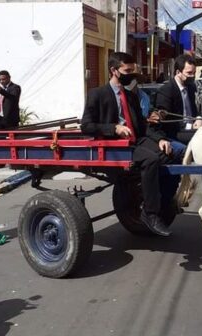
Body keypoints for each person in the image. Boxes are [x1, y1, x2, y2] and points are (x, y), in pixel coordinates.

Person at [81, 52, 173, 236]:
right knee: (151, 159)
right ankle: (150, 213)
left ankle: (164, 201)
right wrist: (113, 128)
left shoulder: (130, 96)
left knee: (170, 154)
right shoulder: (97, 94)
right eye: (127, 71)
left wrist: (161, 139)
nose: (131, 75)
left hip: (135, 141)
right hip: (115, 145)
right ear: (114, 70)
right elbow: (86, 126)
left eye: (133, 70)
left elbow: (142, 126)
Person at [155, 54, 202, 153]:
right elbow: (163, 119)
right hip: (175, 133)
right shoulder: (166, 91)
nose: (192, 76)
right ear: (178, 72)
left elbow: (196, 110)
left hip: (192, 128)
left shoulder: (191, 87)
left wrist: (198, 119)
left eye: (194, 73)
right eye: (189, 73)